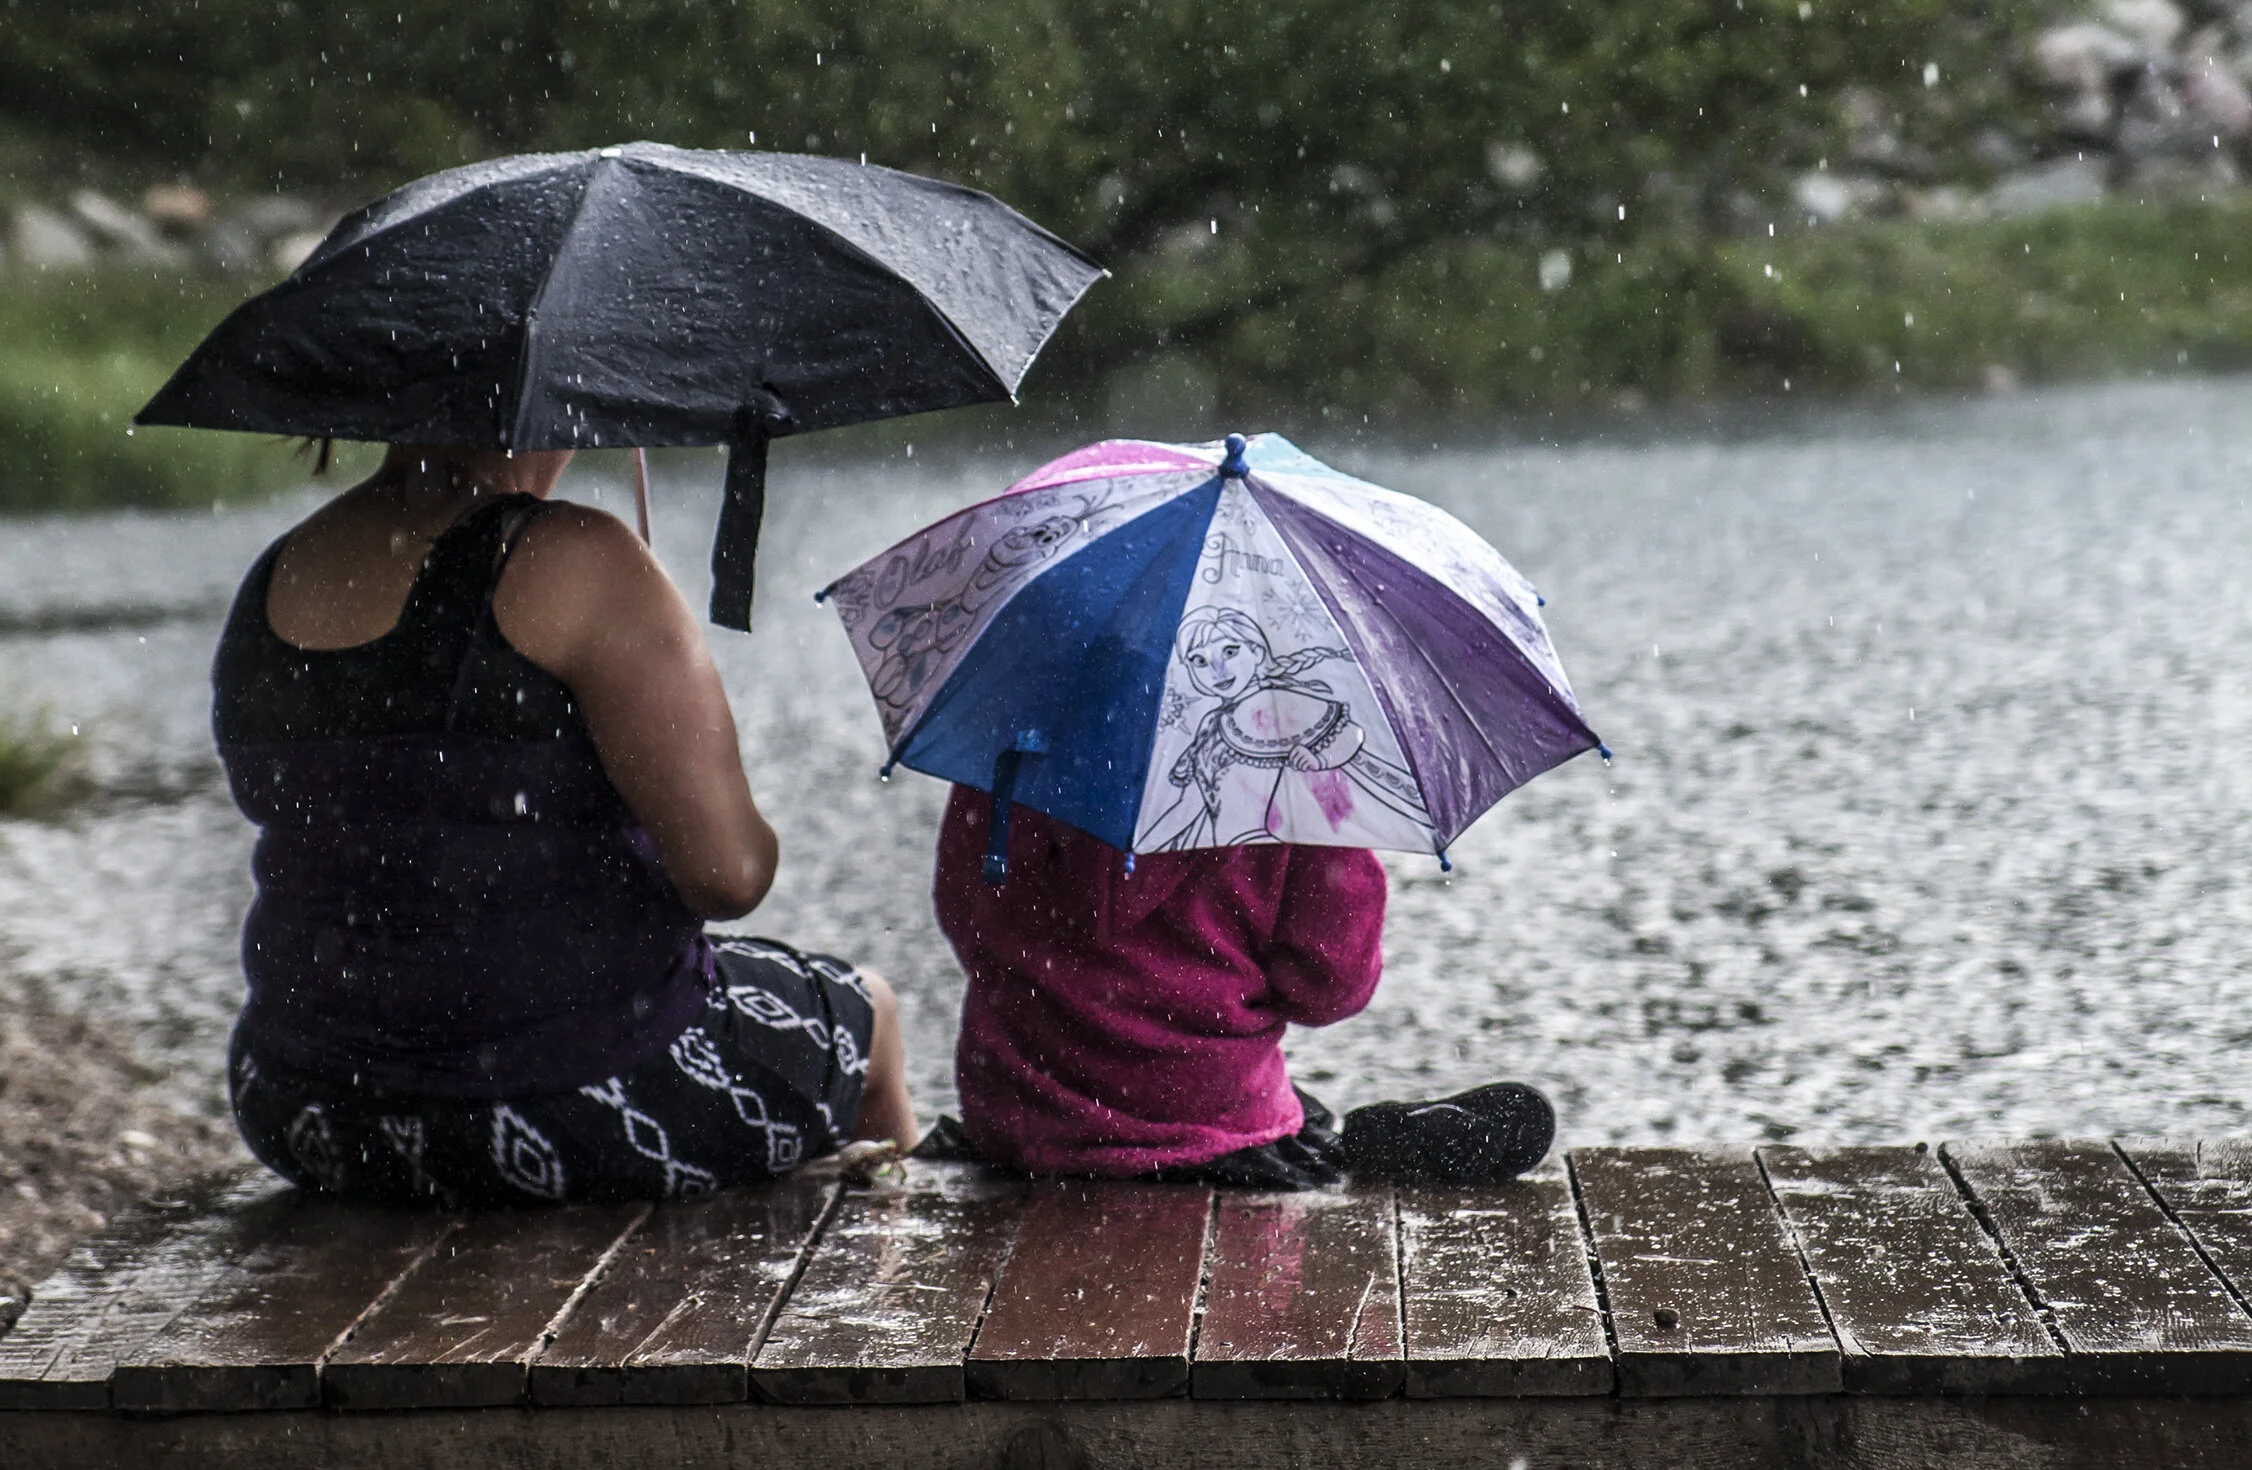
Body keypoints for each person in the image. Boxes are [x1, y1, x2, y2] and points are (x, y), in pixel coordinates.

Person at [212, 441, 918, 1206]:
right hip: (562, 1103)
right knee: (868, 1018)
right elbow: (729, 875)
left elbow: (395, 819)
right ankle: (905, 1296)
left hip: (304, 1102)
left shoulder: (283, 568)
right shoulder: (577, 556)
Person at [930, 786, 1552, 1187]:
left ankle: (1335, 1134)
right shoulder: (1285, 766)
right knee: (1280, 1131)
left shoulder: (1018, 747)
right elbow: (1329, 989)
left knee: (1264, 1108)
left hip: (1020, 1112)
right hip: (1204, 1114)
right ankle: (1363, 1146)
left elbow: (962, 913)